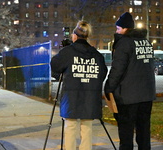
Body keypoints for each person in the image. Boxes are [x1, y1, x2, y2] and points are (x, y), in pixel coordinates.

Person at [50, 20, 107, 150]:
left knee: (70, 127)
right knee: (87, 128)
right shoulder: (96, 55)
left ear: (75, 36)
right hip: (90, 97)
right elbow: (102, 74)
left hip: (71, 98)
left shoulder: (68, 52)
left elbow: (55, 65)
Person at [105, 12, 156, 150]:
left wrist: (108, 87)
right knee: (144, 131)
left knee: (126, 133)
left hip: (128, 97)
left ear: (125, 28)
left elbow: (117, 70)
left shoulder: (124, 43)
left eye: (118, 28)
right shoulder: (146, 43)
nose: (117, 31)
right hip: (146, 95)